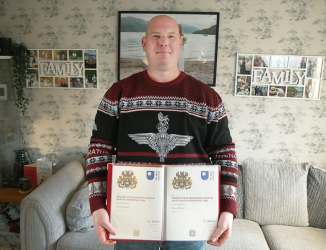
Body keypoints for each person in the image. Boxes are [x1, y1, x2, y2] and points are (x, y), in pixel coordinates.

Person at [86, 15, 238, 250]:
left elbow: (224, 154)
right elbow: (98, 152)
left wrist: (228, 209)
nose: (163, 42)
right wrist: (97, 207)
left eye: (171, 36)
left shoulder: (207, 97)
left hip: (190, 217)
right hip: (131, 216)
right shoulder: (119, 93)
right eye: (155, 36)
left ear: (181, 43)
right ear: (144, 44)